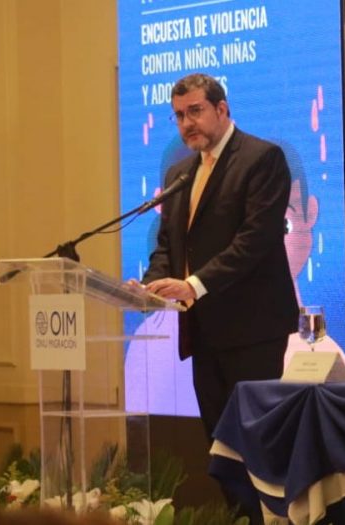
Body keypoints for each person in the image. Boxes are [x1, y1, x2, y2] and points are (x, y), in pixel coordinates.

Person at [140, 73, 299, 441]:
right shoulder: (180, 173)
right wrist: (148, 287)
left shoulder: (262, 158)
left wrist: (193, 285)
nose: (186, 123)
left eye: (195, 111)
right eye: (179, 115)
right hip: (204, 332)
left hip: (253, 331)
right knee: (219, 443)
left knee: (255, 443)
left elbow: (255, 240)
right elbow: (169, 245)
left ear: (222, 109)